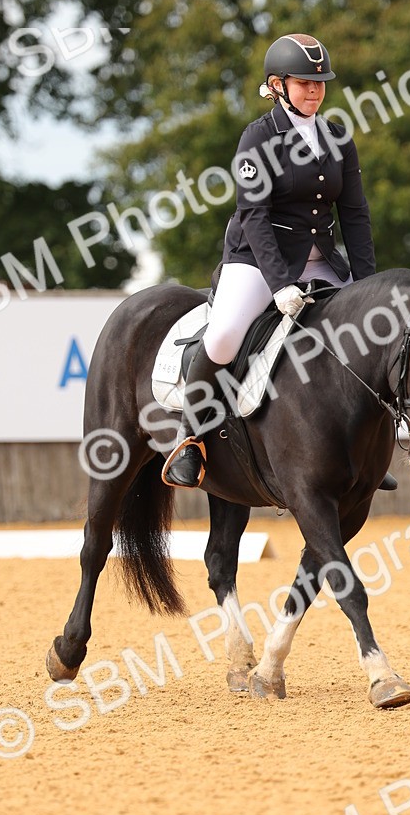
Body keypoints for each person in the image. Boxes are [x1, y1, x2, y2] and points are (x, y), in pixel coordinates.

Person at [161, 32, 380, 489]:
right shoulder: (258, 137)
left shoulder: (339, 137)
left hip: (322, 262)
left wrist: (367, 283)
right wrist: (279, 283)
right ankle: (191, 438)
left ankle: (367, 451)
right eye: (304, 82)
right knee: (222, 337)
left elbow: (355, 214)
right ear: (278, 85)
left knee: (365, 338)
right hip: (259, 261)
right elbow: (254, 215)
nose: (315, 90)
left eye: (320, 83)